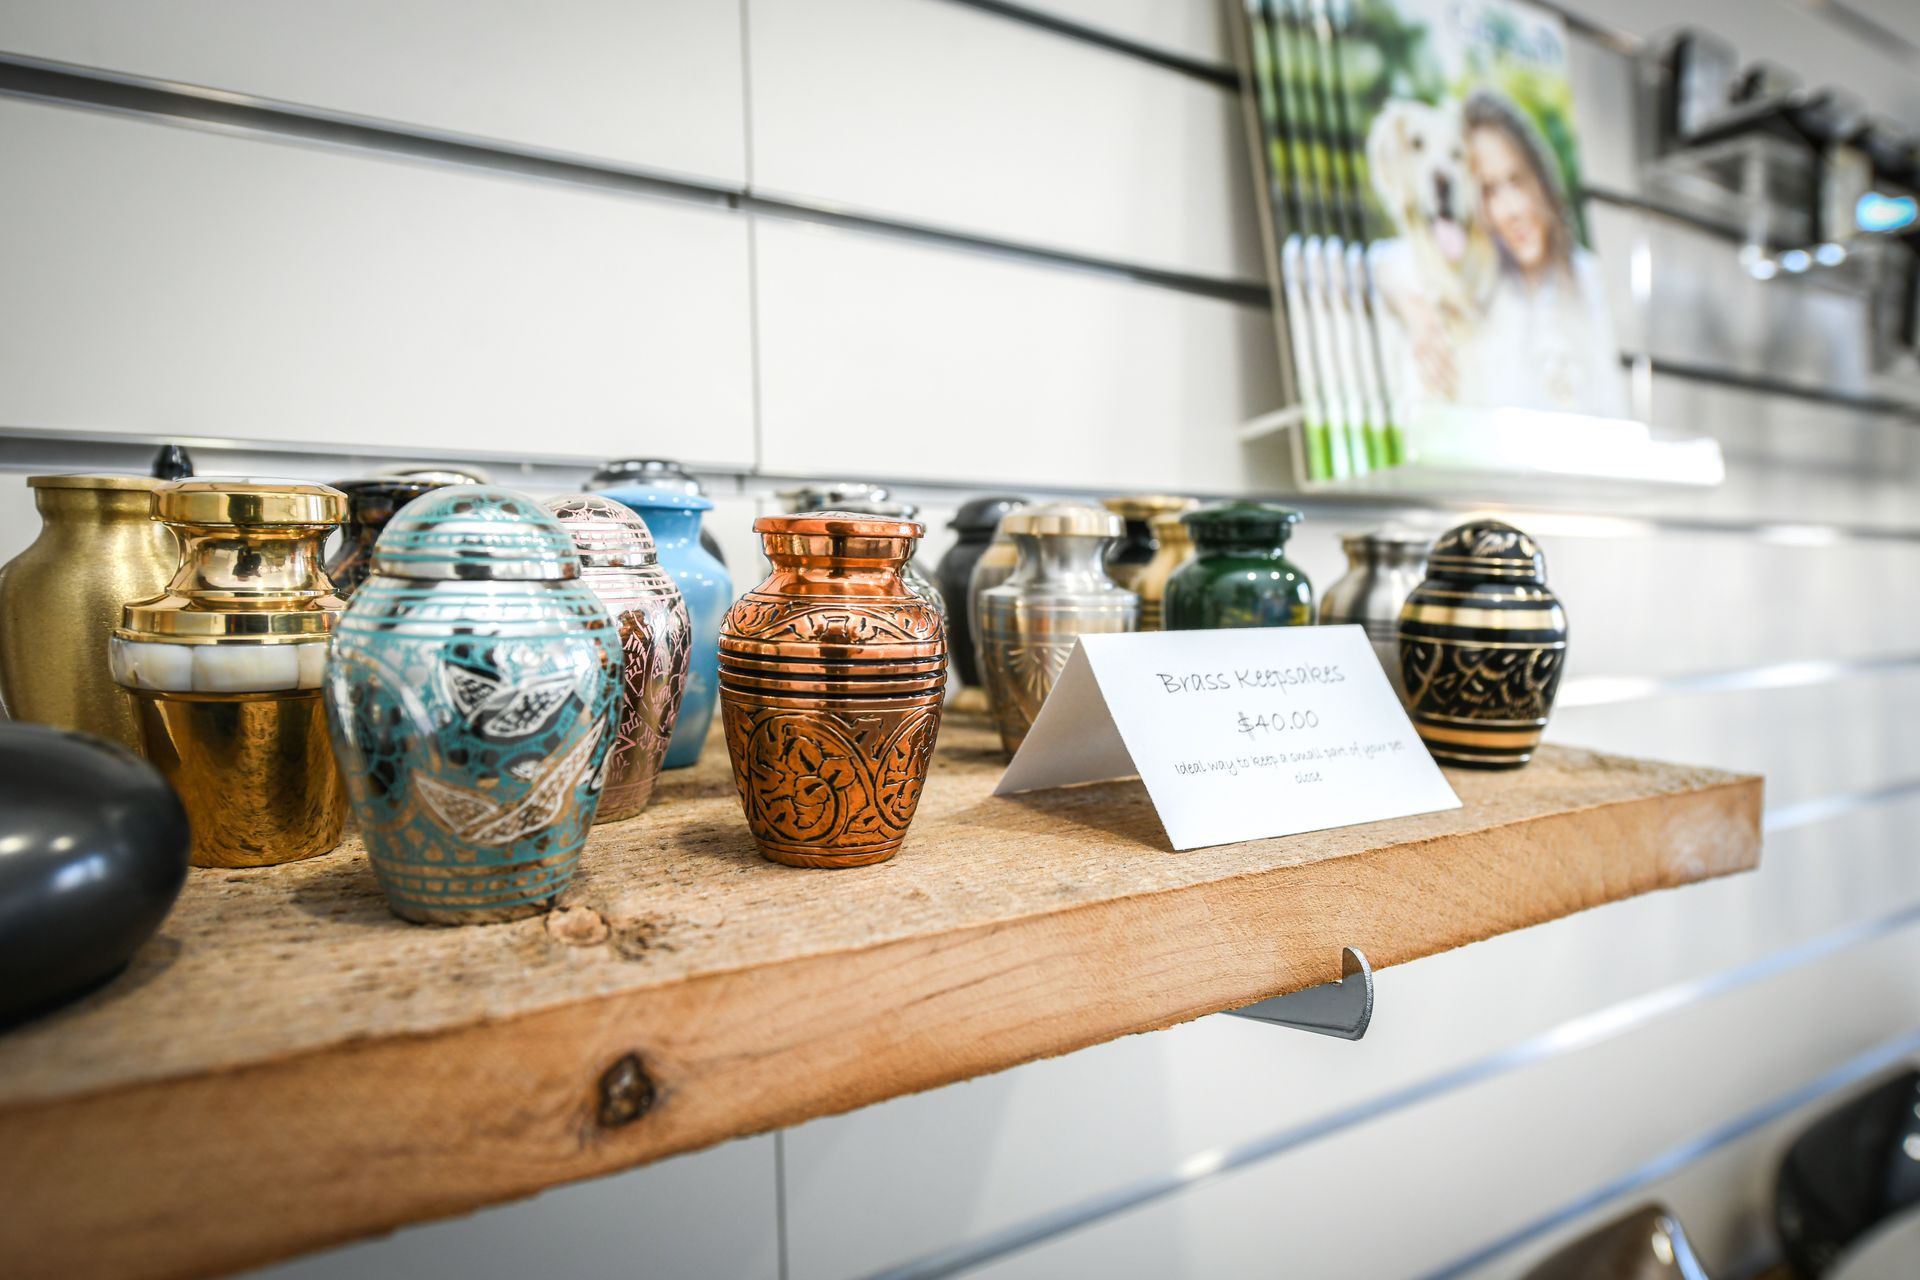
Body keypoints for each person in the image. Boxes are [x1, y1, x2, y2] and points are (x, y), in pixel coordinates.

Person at [1453, 89, 1628, 417]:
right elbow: (1388, 260)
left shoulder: (1588, 279)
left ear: (1541, 176)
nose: (1511, 210)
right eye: (1489, 191)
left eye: (1517, 181)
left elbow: (1613, 409)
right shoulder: (1477, 284)